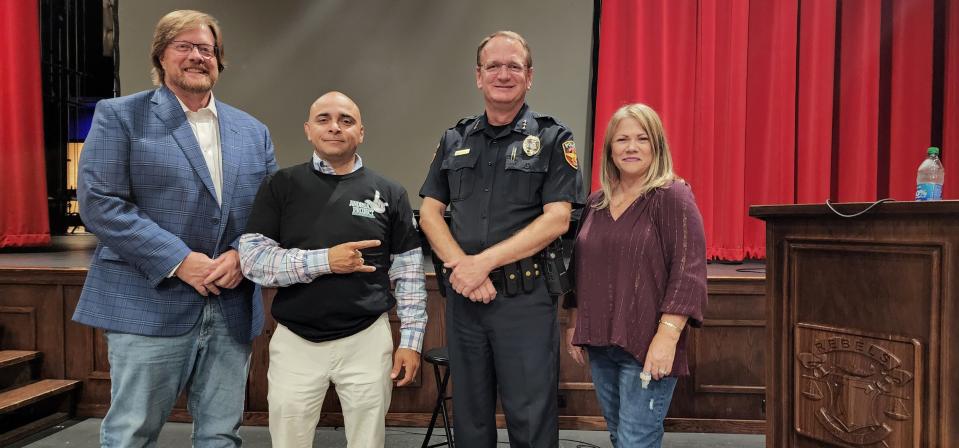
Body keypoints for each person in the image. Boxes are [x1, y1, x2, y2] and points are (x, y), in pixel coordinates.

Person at [73, 9, 277, 447]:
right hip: (148, 300)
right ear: (161, 57)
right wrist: (179, 260)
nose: (197, 56)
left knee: (221, 435)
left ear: (219, 61)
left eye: (207, 49)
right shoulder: (120, 116)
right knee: (131, 433)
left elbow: (270, 212)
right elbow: (100, 204)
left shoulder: (253, 131)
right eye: (184, 46)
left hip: (231, 304)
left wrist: (242, 256)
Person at [419, 30, 584, 447]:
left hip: (523, 302)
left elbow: (557, 219)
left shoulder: (552, 138)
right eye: (494, 65)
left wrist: (481, 264)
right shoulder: (454, 139)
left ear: (530, 76)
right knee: (471, 419)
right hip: (464, 300)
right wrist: (463, 267)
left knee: (530, 418)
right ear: (478, 76)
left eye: (514, 66)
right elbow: (429, 212)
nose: (503, 74)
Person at [238, 91, 427, 448]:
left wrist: (412, 342)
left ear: (361, 132)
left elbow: (410, 274)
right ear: (309, 130)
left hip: (367, 339)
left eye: (346, 120)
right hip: (295, 339)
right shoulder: (281, 186)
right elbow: (253, 261)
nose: (335, 127)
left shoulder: (389, 192)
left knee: (367, 441)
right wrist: (326, 261)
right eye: (324, 119)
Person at [563, 103, 707, 448]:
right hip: (600, 342)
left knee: (635, 441)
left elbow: (688, 272)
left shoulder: (672, 196)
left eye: (642, 139)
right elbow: (580, 267)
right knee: (619, 436)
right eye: (622, 139)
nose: (631, 147)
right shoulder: (596, 203)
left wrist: (667, 339)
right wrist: (574, 322)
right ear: (609, 149)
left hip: (647, 343)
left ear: (656, 146)